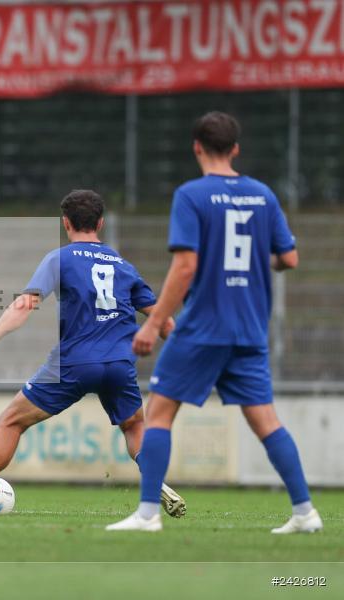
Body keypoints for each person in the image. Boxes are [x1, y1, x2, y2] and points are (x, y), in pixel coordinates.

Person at [107, 112, 322, 533]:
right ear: (236, 149)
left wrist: (153, 325)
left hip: (204, 327)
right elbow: (290, 258)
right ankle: (304, 512)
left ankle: (148, 514)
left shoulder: (192, 195)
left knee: (161, 413)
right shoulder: (263, 195)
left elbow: (185, 266)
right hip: (249, 328)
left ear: (197, 148)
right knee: (266, 421)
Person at [0, 190, 185, 518]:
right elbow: (164, 322)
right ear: (100, 223)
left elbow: (24, 305)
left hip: (74, 363)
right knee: (133, 425)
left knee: (11, 421)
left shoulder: (60, 259)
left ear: (66, 223)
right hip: (119, 363)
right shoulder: (124, 266)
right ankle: (153, 480)